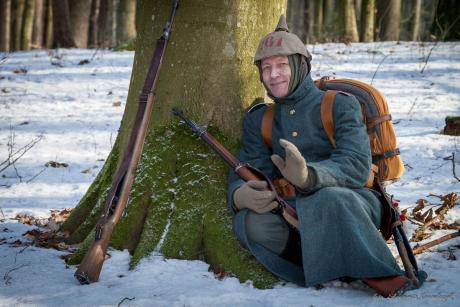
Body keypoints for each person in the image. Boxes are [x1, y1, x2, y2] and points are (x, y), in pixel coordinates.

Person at [227, 15, 420, 297]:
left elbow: (356, 166)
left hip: (353, 202)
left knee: (328, 199)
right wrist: (239, 195)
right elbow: (248, 167)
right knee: (250, 222)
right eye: (266, 68)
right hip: (292, 211)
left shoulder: (339, 105)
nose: (274, 74)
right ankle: (328, 261)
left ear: (300, 65)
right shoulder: (261, 119)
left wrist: (310, 176)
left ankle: (381, 275)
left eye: (282, 65)